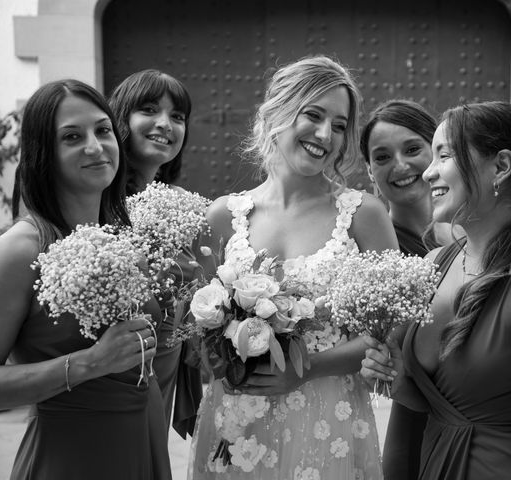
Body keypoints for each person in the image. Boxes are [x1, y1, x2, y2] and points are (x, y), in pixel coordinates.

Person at [361, 101, 511, 480]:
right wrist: (395, 374)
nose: (428, 173)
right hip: (433, 465)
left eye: (445, 155)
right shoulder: (435, 263)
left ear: (501, 167)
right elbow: (430, 405)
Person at [189, 55, 398, 479]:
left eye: (339, 126)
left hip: (327, 418)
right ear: (279, 112)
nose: (326, 135)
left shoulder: (364, 215)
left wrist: (305, 370)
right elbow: (196, 335)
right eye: (314, 115)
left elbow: (389, 331)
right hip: (237, 421)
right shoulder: (222, 217)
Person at [0, 79, 171, 479]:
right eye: (72, 136)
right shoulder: (20, 249)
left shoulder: (126, 237)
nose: (95, 146)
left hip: (143, 447)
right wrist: (88, 363)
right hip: (71, 460)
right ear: (44, 154)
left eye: (103, 130)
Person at [109, 69, 203, 438]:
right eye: (149, 110)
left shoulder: (184, 206)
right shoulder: (96, 202)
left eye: (177, 117)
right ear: (120, 119)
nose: (165, 124)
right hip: (115, 374)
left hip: (164, 368)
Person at [360, 99, 437, 480]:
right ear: (370, 171)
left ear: (438, 151)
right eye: (382, 157)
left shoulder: (482, 235)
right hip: (414, 422)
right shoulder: (367, 254)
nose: (401, 166)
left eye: (412, 149)